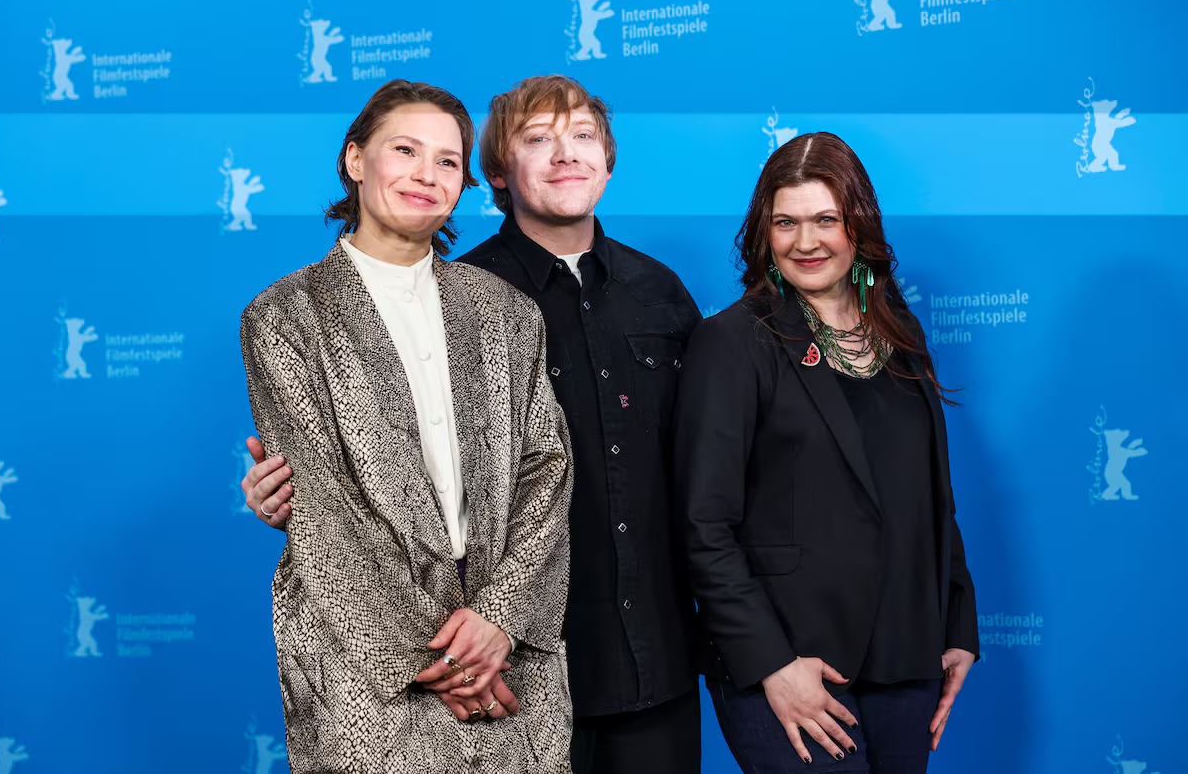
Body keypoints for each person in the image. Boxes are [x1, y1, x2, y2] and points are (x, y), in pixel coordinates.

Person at [242, 75, 703, 774]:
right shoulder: (284, 315)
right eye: (405, 150)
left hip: (525, 654)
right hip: (375, 671)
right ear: (355, 158)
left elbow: (548, 467)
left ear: (464, 183)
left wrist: (500, 620)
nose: (426, 173)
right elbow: (329, 512)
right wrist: (439, 655)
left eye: (445, 160)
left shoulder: (502, 308)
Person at [673, 132, 978, 774]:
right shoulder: (733, 341)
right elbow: (703, 525)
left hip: (906, 654)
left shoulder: (900, 331)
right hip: (791, 662)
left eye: (825, 220)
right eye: (785, 223)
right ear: (763, 233)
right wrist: (773, 665)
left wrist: (955, 625)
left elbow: (929, 494)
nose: (805, 242)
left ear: (858, 226)